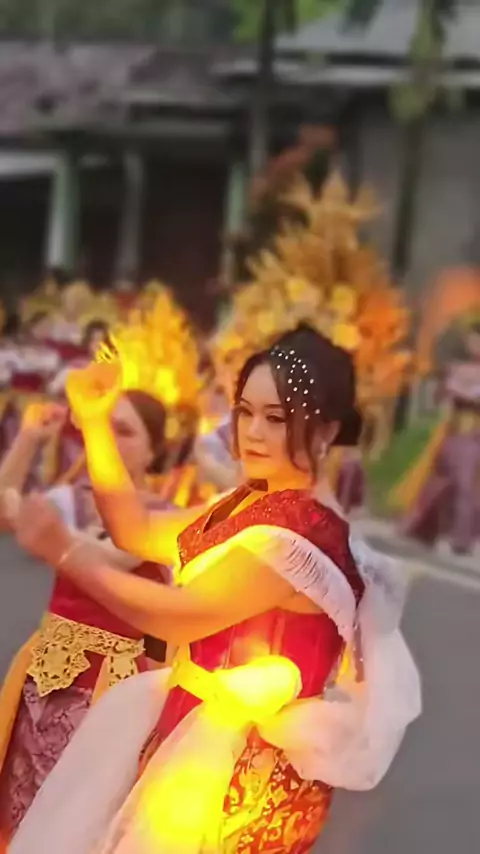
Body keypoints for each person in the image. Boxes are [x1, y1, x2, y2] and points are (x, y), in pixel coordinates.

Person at [9, 325, 421, 854]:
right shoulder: (250, 503)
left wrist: (65, 553)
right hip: (189, 736)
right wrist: (93, 423)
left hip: (239, 774)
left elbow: (178, 615)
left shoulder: (303, 532)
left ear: (325, 430)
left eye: (276, 419)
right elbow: (136, 528)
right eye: (245, 412)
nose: (252, 432)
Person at [0, 388, 171, 845]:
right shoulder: (72, 500)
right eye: (103, 427)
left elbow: (115, 556)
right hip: (44, 680)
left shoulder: (161, 517)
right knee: (20, 804)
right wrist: (29, 439)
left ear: (154, 450)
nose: (109, 440)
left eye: (124, 431)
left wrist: (52, 535)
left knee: (78, 819)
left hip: (110, 692)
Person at [391, 320, 480, 554]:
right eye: (472, 339)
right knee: (439, 480)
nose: (474, 345)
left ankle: (461, 538)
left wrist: (461, 391)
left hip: (473, 435)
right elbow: (443, 393)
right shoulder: (458, 368)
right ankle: (424, 529)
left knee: (464, 484)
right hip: (452, 430)